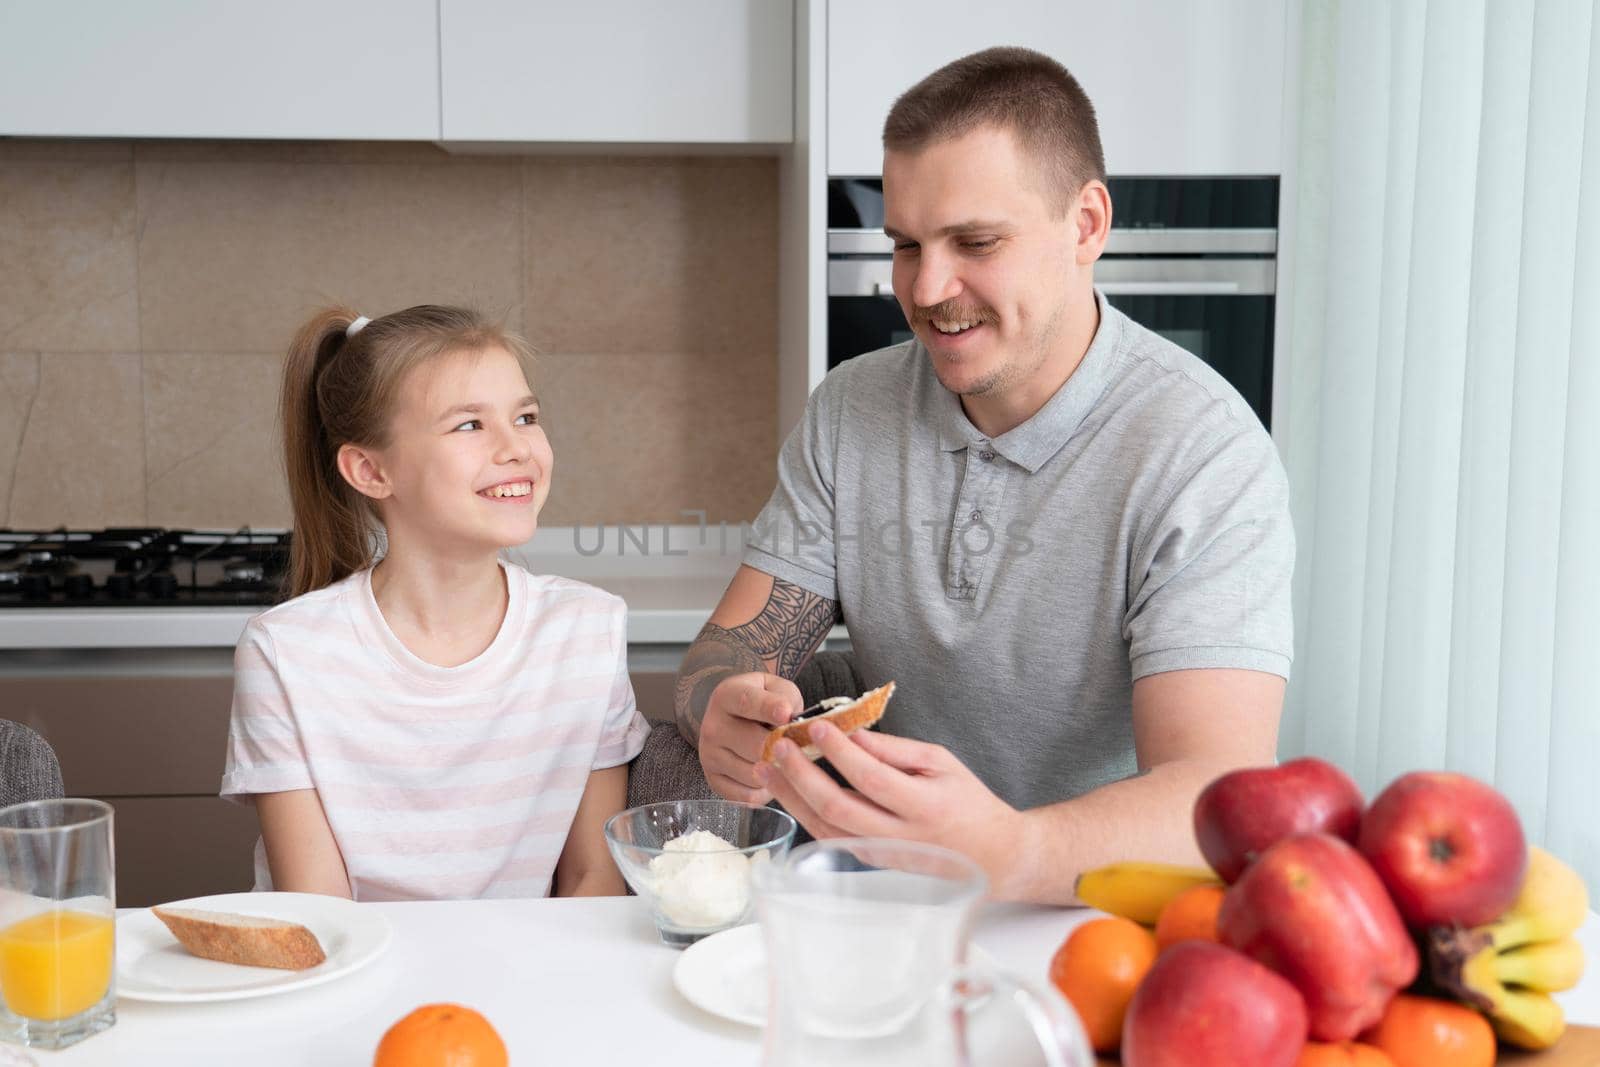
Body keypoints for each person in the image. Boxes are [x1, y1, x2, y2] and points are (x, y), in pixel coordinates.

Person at [674, 47, 1293, 904]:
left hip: (1094, 914)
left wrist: (1014, 849)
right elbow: (733, 647)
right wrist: (721, 711)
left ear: (1085, 225)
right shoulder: (854, 409)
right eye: (905, 244)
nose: (927, 289)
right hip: (889, 894)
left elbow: (1215, 802)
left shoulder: (1203, 453)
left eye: (976, 242)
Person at [222, 305, 648, 900]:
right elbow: (320, 913)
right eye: (469, 426)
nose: (516, 448)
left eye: (525, 417)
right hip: (357, 982)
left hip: (531, 982)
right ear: (370, 470)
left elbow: (592, 878)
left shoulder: (587, 631)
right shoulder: (287, 652)